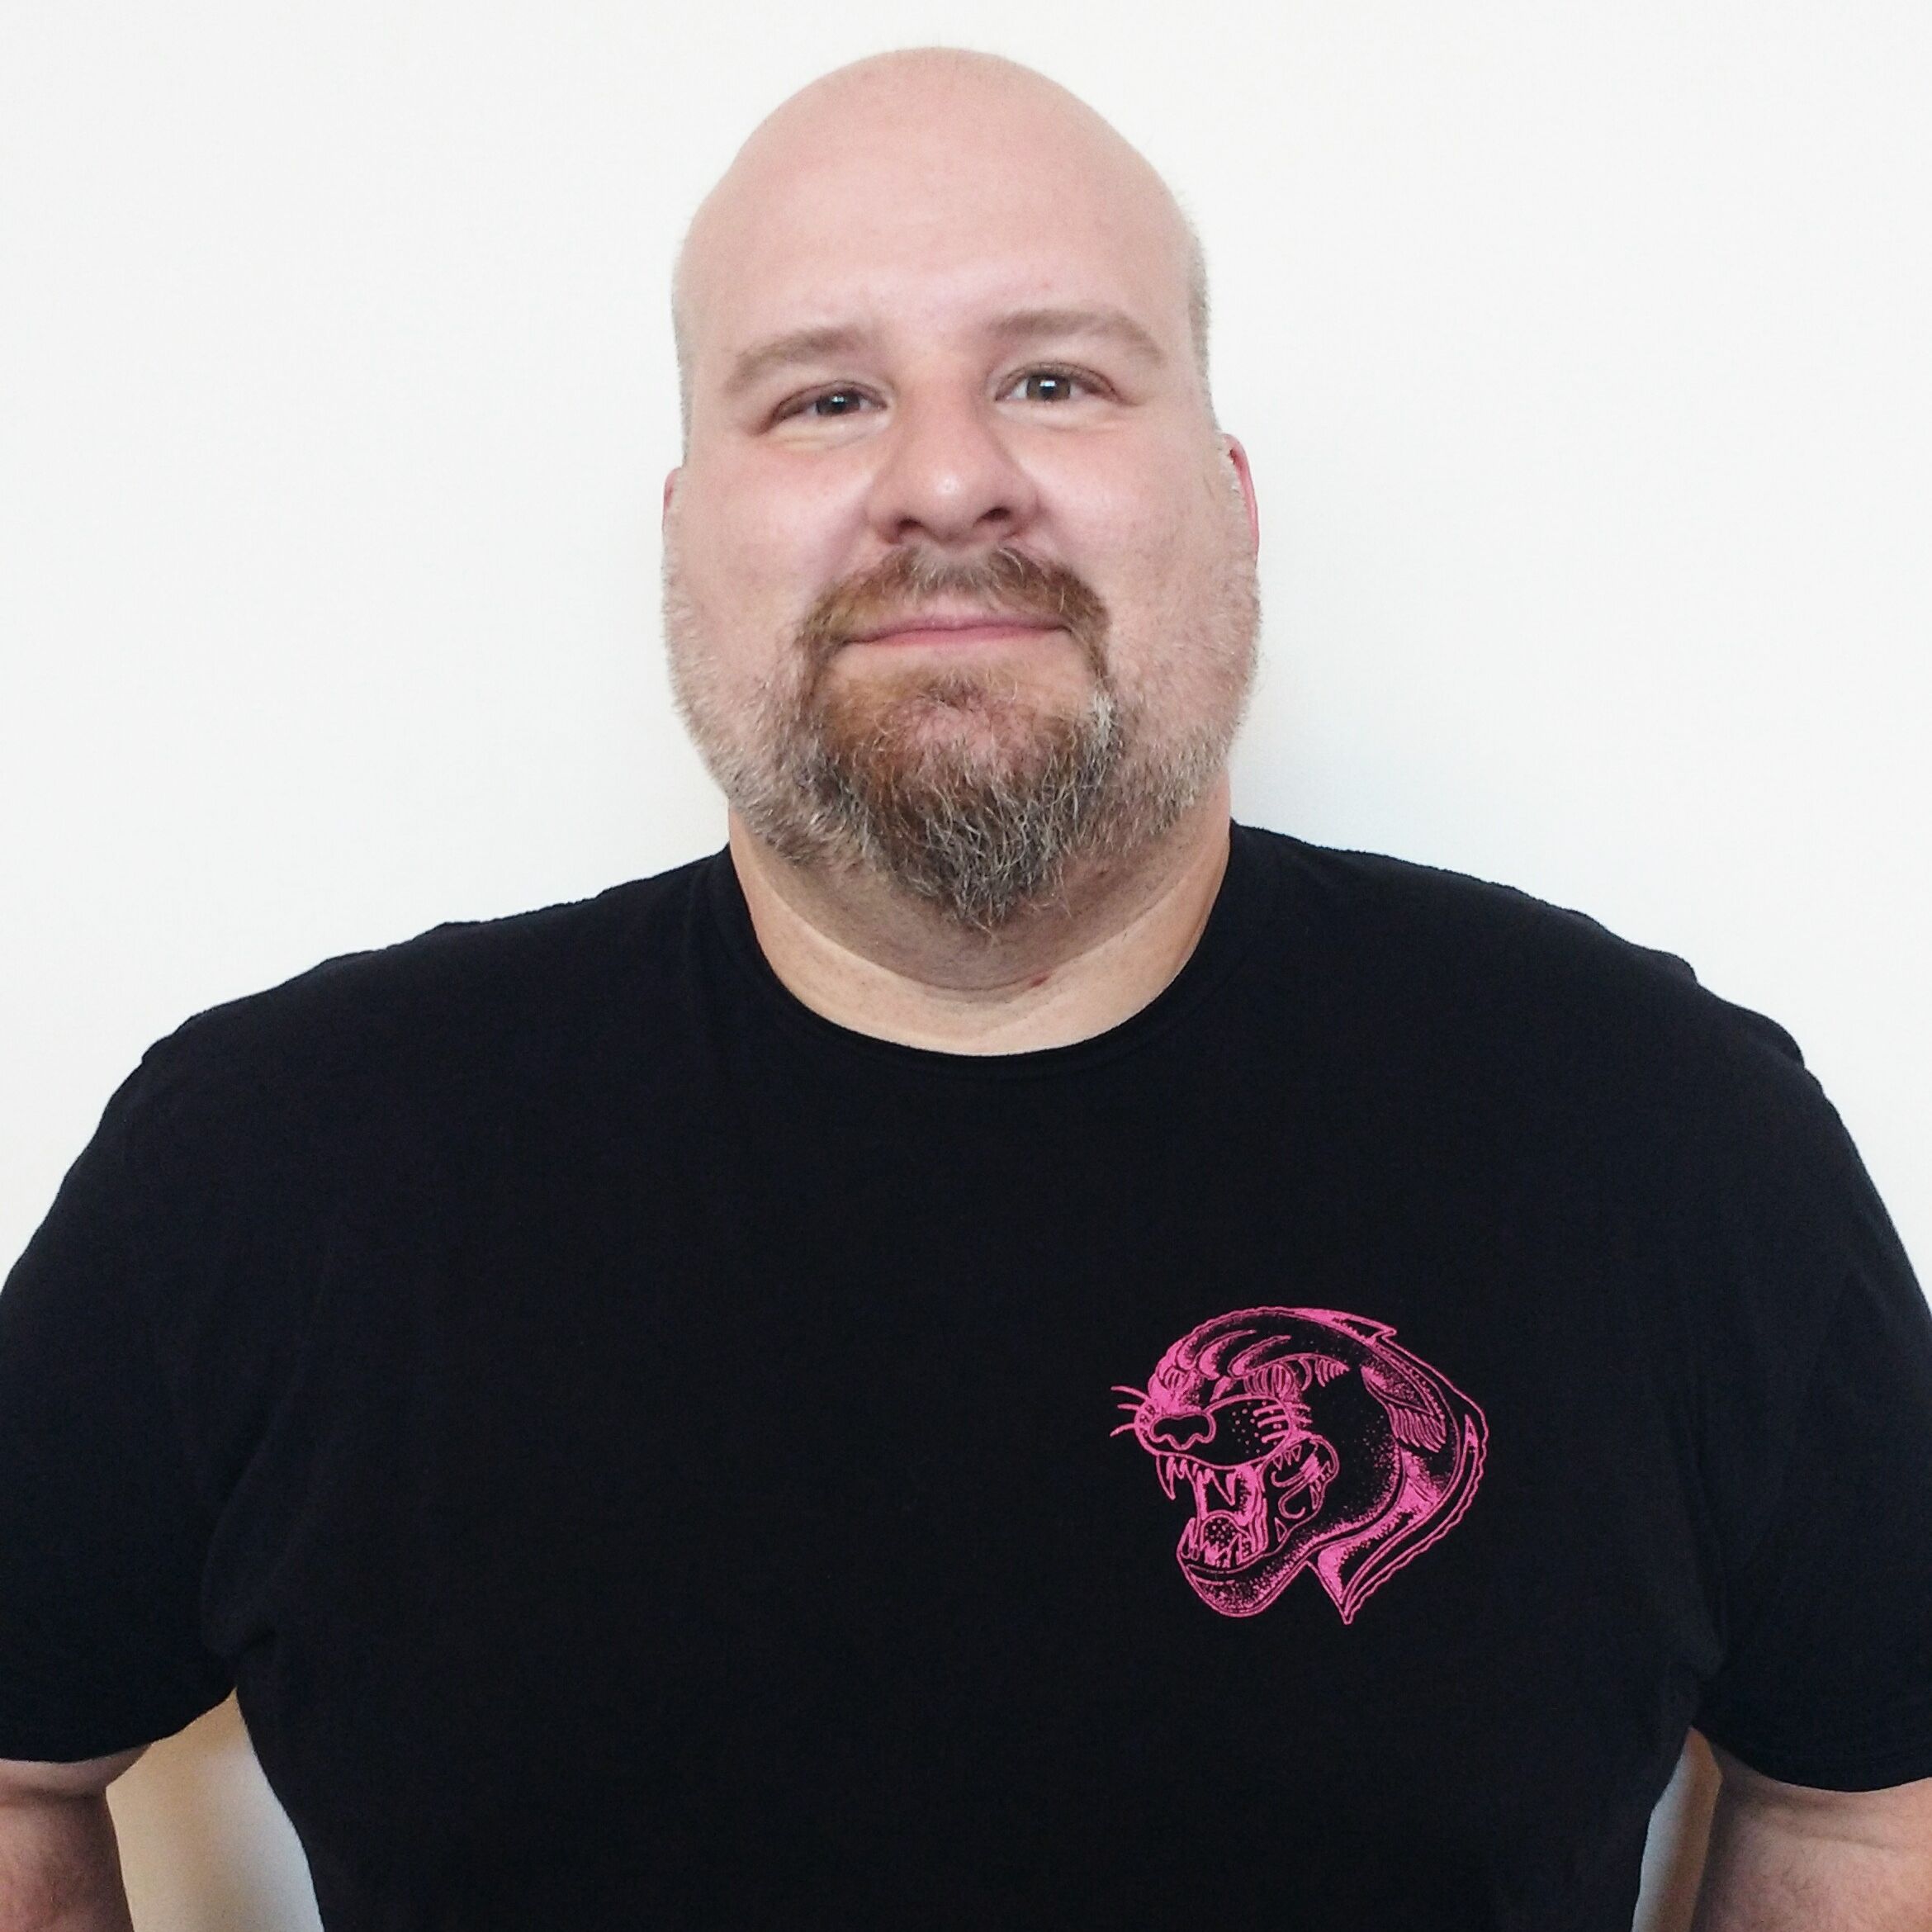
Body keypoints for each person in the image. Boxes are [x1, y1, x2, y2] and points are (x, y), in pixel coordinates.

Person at [2, 45, 1929, 1931]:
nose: (945, 479)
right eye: (825, 397)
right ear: (685, 538)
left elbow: (1868, 1809)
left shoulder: (1657, 1137)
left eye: (1054, 378)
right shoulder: (280, 1165)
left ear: (1232, 499)